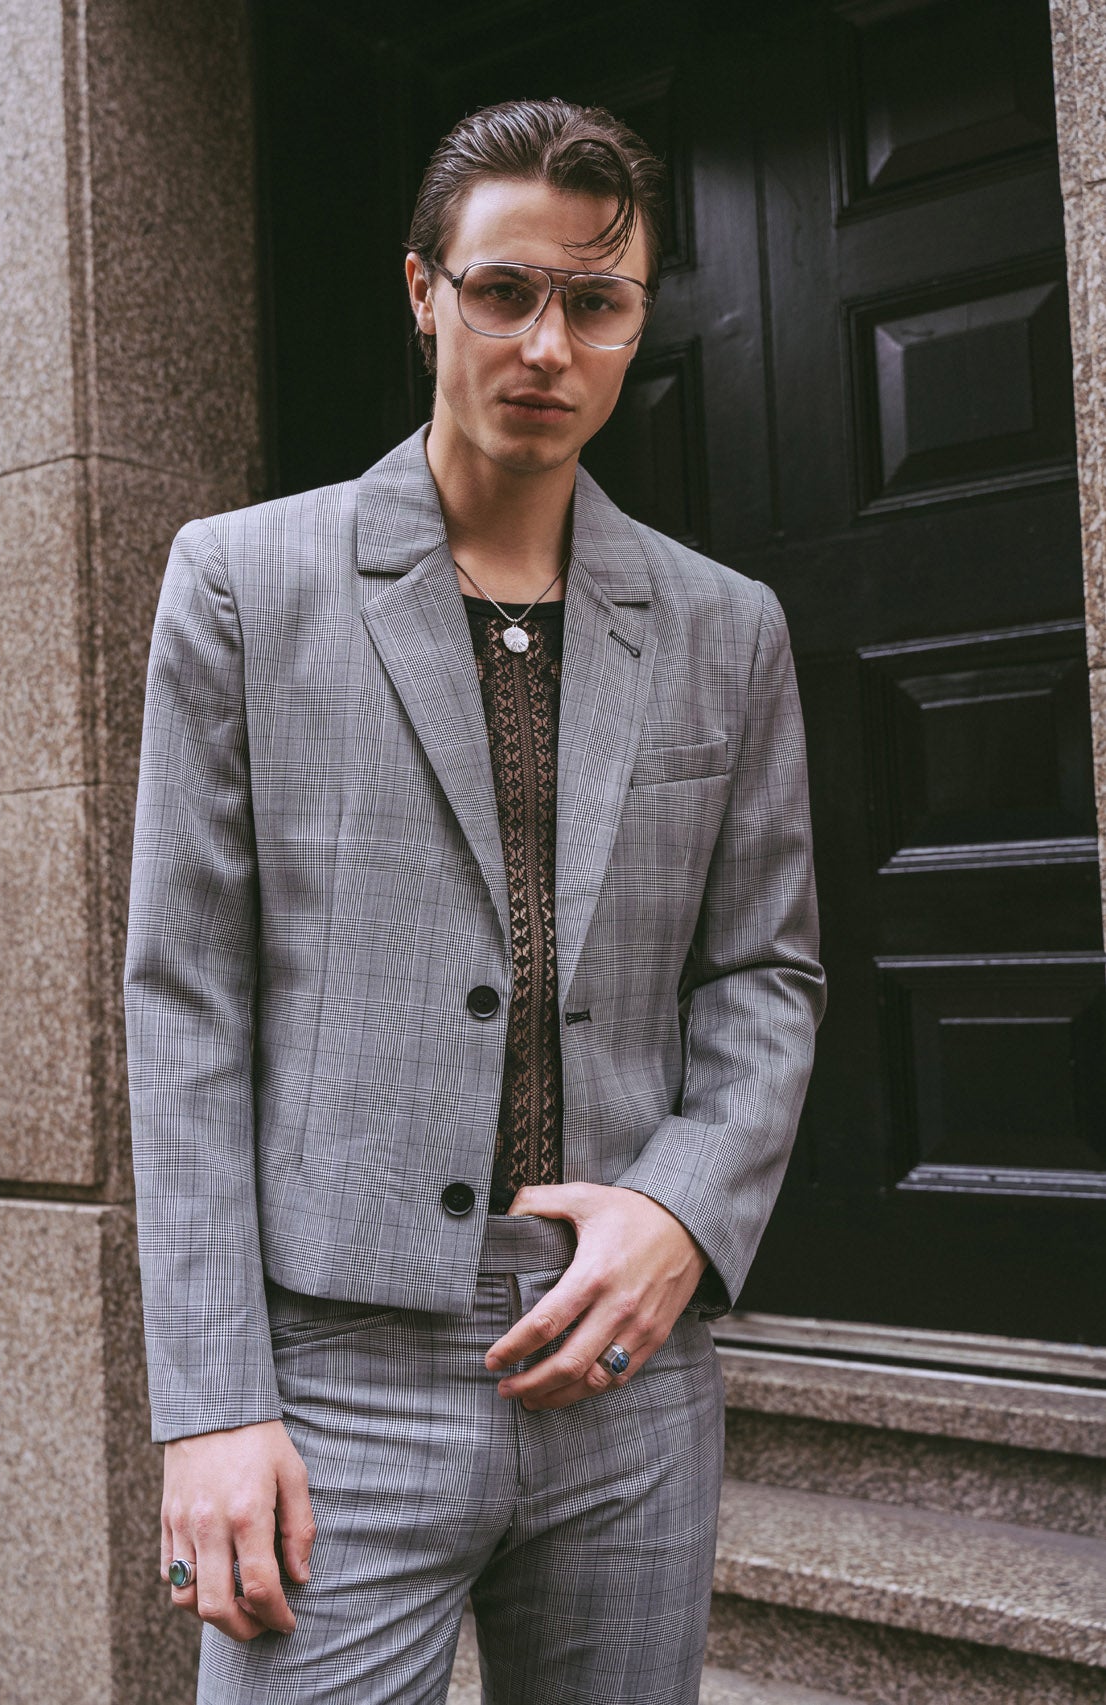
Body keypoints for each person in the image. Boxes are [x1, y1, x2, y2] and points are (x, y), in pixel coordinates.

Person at [124, 96, 825, 1705]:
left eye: (595, 302)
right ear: (424, 292)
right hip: (336, 1374)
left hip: (628, 1364)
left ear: (637, 318)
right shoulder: (243, 581)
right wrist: (213, 1401)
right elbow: (185, 1002)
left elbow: (764, 973)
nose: (546, 345)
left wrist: (683, 1210)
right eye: (503, 291)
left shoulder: (727, 627)